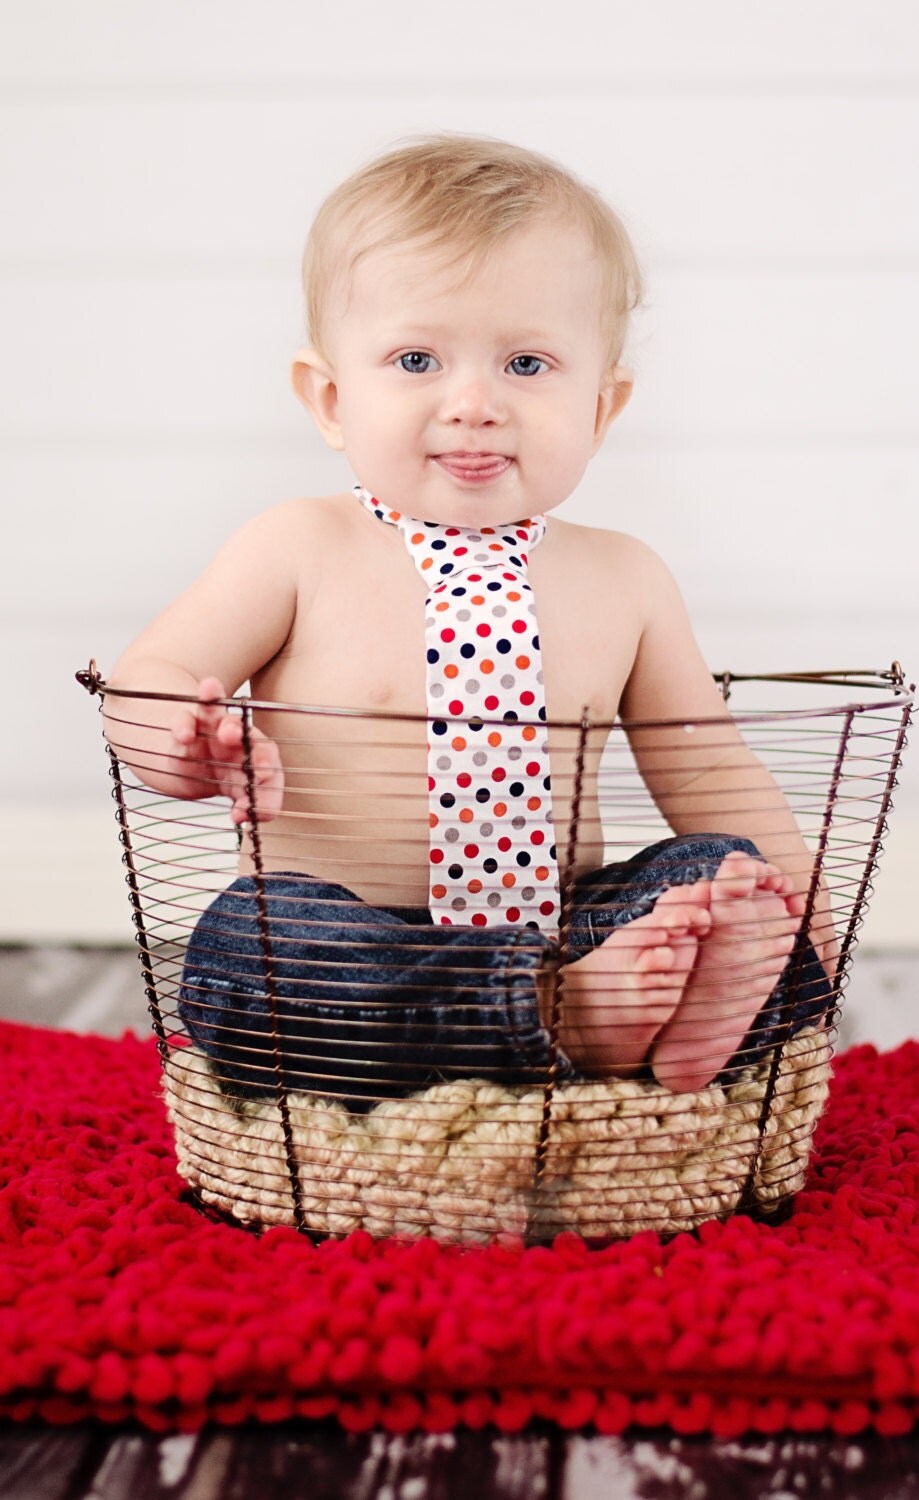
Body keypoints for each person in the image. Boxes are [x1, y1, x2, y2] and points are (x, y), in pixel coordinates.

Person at [105, 135, 833, 1111]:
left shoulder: (625, 577)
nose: (475, 404)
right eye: (417, 359)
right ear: (329, 397)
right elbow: (150, 674)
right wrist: (184, 740)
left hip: (569, 932)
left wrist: (795, 904)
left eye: (527, 363)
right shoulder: (293, 548)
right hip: (363, 955)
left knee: (714, 875)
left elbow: (705, 766)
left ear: (602, 407)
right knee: (250, 949)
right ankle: (560, 1024)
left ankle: (617, 1000)